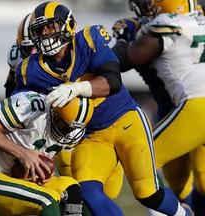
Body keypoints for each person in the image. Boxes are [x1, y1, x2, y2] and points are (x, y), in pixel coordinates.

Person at [13, 1, 193, 215]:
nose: (46, 34)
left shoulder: (88, 39)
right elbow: (23, 109)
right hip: (91, 135)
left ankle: (183, 213)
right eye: (40, 30)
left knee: (148, 194)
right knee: (87, 191)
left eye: (51, 27)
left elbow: (113, 80)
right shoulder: (29, 69)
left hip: (126, 121)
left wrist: (78, 88)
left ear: (68, 25)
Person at [112, 0, 205, 215]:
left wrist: (125, 40)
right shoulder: (197, 22)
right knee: (197, 181)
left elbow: (128, 58)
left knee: (140, 160)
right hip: (184, 110)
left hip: (194, 109)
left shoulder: (165, 24)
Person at [0, 90, 95, 216]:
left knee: (73, 190)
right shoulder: (31, 106)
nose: (68, 131)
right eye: (66, 125)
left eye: (74, 127)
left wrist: (45, 170)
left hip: (20, 179)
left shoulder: (74, 129)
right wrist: (23, 154)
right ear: (55, 112)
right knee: (48, 200)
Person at [5, 13, 37, 97]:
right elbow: (10, 85)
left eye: (37, 48)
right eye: (28, 48)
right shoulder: (15, 56)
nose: (32, 53)